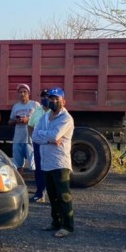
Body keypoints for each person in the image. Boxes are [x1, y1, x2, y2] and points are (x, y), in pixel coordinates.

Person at [31, 87, 74, 238]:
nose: (53, 101)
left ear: (63, 101)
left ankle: (67, 226)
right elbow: (35, 136)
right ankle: (55, 222)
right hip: (46, 162)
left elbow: (56, 135)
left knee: (63, 195)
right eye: (51, 98)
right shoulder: (44, 117)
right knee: (52, 195)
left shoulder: (66, 118)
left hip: (60, 162)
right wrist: (49, 137)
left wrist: (49, 136)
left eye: (57, 99)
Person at [27, 88, 50, 202]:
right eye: (43, 96)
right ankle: (39, 193)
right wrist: (33, 138)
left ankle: (52, 195)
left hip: (51, 146)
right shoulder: (37, 110)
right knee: (39, 169)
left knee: (51, 170)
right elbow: (30, 125)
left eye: (47, 96)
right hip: (38, 144)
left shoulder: (55, 111)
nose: (45, 98)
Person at [9, 83, 38, 173]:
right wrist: (15, 121)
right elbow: (10, 122)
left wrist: (28, 120)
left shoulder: (35, 105)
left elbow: (42, 120)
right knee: (18, 165)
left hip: (30, 139)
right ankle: (21, 183)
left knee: (34, 164)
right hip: (18, 139)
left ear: (29, 93)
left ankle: (36, 183)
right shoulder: (16, 106)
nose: (22, 94)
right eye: (20, 92)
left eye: (24, 92)